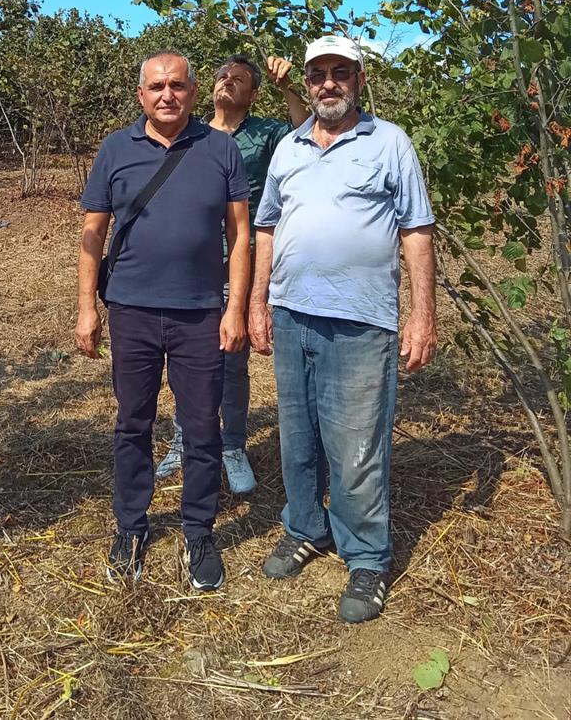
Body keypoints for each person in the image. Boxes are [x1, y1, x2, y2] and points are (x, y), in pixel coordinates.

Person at [248, 35, 437, 623]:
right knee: (297, 438)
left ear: (359, 79)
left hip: (361, 322)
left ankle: (367, 558)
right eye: (317, 74)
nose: (328, 83)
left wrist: (423, 314)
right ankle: (306, 527)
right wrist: (257, 302)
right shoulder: (290, 147)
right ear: (305, 83)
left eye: (341, 72)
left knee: (357, 447)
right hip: (291, 314)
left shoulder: (389, 142)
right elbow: (266, 228)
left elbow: (416, 230)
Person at [75, 51, 251, 591]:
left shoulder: (220, 148)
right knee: (133, 422)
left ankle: (199, 532)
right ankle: (130, 528)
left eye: (177, 85)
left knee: (201, 427)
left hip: (201, 312)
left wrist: (236, 308)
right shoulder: (115, 148)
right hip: (131, 309)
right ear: (141, 95)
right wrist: (86, 307)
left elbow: (240, 233)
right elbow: (93, 233)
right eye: (156, 87)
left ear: (193, 92)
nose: (167, 95)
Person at [155, 54, 308, 494]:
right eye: (222, 75)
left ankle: (233, 445)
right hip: (189, 265)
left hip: (237, 263)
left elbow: (307, 133)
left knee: (231, 359)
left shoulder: (268, 134)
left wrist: (286, 87)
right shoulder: (190, 132)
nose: (226, 81)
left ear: (253, 94)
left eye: (238, 78)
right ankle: (184, 439)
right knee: (184, 358)